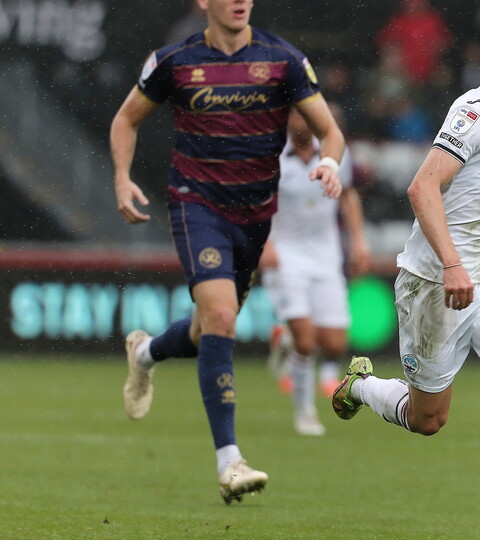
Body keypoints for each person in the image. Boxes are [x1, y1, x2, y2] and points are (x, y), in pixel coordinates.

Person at [331, 15, 480, 540]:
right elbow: (422, 189)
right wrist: (450, 264)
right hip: (432, 284)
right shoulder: (476, 111)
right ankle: (362, 385)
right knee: (428, 420)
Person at [110, 0, 344, 503]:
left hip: (256, 215)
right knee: (220, 316)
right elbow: (126, 119)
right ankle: (229, 461)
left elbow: (331, 131)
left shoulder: (283, 59)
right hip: (197, 205)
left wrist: (330, 162)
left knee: (207, 329)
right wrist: (122, 177)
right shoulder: (174, 61)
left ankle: (146, 352)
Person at [260, 106, 370, 437]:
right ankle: (305, 410)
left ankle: (286, 340)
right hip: (286, 254)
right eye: (297, 116)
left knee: (334, 343)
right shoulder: (273, 156)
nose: (303, 122)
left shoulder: (335, 154)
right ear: (287, 120)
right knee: (307, 342)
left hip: (326, 255)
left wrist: (359, 241)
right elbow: (258, 201)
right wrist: (264, 244)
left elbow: (348, 195)